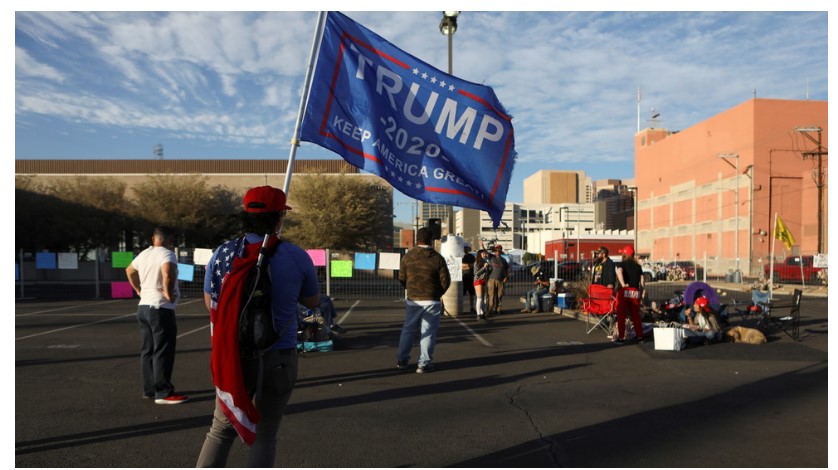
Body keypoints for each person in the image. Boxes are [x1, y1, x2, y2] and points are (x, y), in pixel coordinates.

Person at [197, 186, 320, 467]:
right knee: (266, 434)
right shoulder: (296, 255)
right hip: (280, 352)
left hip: (233, 355)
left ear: (245, 216)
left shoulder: (223, 254)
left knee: (220, 429)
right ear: (278, 219)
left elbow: (210, 302)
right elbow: (312, 300)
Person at [125, 226, 187, 405]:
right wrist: (168, 293)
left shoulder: (144, 254)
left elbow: (129, 270)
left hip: (143, 306)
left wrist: (138, 289)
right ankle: (163, 392)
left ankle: (149, 389)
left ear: (153, 238)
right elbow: (168, 273)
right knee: (163, 350)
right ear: (170, 240)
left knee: (148, 350)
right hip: (160, 308)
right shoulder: (167, 254)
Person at [396, 227, 451, 373]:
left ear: (417, 239)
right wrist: (437, 293)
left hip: (413, 299)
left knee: (408, 329)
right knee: (428, 331)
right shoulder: (437, 258)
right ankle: (424, 363)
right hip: (431, 299)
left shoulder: (407, 257)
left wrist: (410, 289)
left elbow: (401, 278)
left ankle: (402, 359)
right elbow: (446, 281)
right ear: (431, 240)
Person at [614, 245, 645, 344]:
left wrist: (623, 284)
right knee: (635, 315)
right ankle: (640, 337)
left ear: (625, 254)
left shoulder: (621, 264)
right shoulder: (638, 266)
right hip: (635, 291)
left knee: (621, 315)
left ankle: (621, 338)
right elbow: (642, 280)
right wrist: (641, 291)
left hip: (624, 291)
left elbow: (619, 272)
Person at [487, 245, 509, 315]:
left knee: (500, 295)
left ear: (501, 251)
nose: (497, 252)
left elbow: (507, 270)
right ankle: (490, 309)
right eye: (496, 250)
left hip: (501, 280)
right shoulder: (492, 257)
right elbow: (485, 252)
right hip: (492, 279)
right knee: (491, 295)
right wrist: (482, 245)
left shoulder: (503, 260)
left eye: (499, 250)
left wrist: (506, 277)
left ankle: (498, 308)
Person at [472, 249, 491, 320]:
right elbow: (476, 273)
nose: (484, 255)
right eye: (483, 253)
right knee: (479, 297)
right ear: (479, 254)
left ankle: (482, 312)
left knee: (483, 298)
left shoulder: (485, 261)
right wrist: (484, 267)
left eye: (485, 254)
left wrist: (489, 268)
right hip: (478, 280)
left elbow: (488, 272)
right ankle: (478, 314)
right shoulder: (476, 262)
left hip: (484, 280)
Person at [461, 245, 476, 314]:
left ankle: (472, 307)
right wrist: (466, 266)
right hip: (462, 278)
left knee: (471, 294)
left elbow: (473, 265)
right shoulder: (460, 256)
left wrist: (465, 266)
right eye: (464, 248)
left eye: (466, 248)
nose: (465, 249)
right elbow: (460, 266)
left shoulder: (471, 257)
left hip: (470, 277)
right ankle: (460, 308)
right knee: (461, 294)